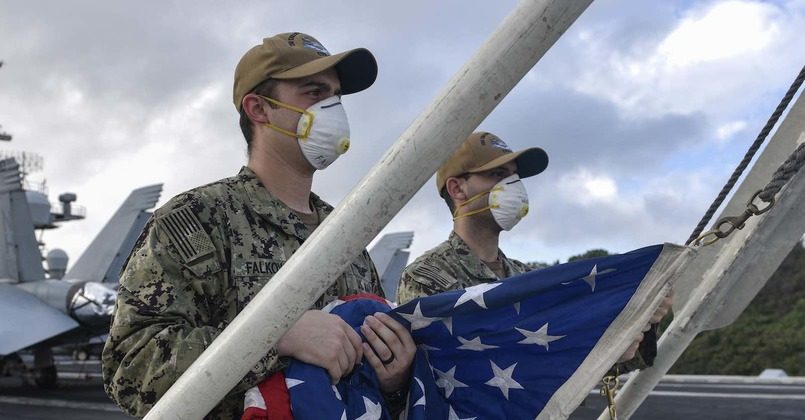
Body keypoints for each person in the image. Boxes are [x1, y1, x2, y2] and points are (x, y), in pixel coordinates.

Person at [102, 32, 416, 419]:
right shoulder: (196, 220)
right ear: (259, 109)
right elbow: (132, 366)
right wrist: (274, 338)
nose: (333, 108)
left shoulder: (347, 235)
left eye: (336, 95)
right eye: (314, 92)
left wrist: (395, 382)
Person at [396, 131, 671, 369]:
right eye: (497, 175)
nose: (513, 186)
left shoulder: (530, 278)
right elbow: (442, 374)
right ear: (457, 188)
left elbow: (588, 368)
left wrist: (638, 320)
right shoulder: (426, 276)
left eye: (514, 176)